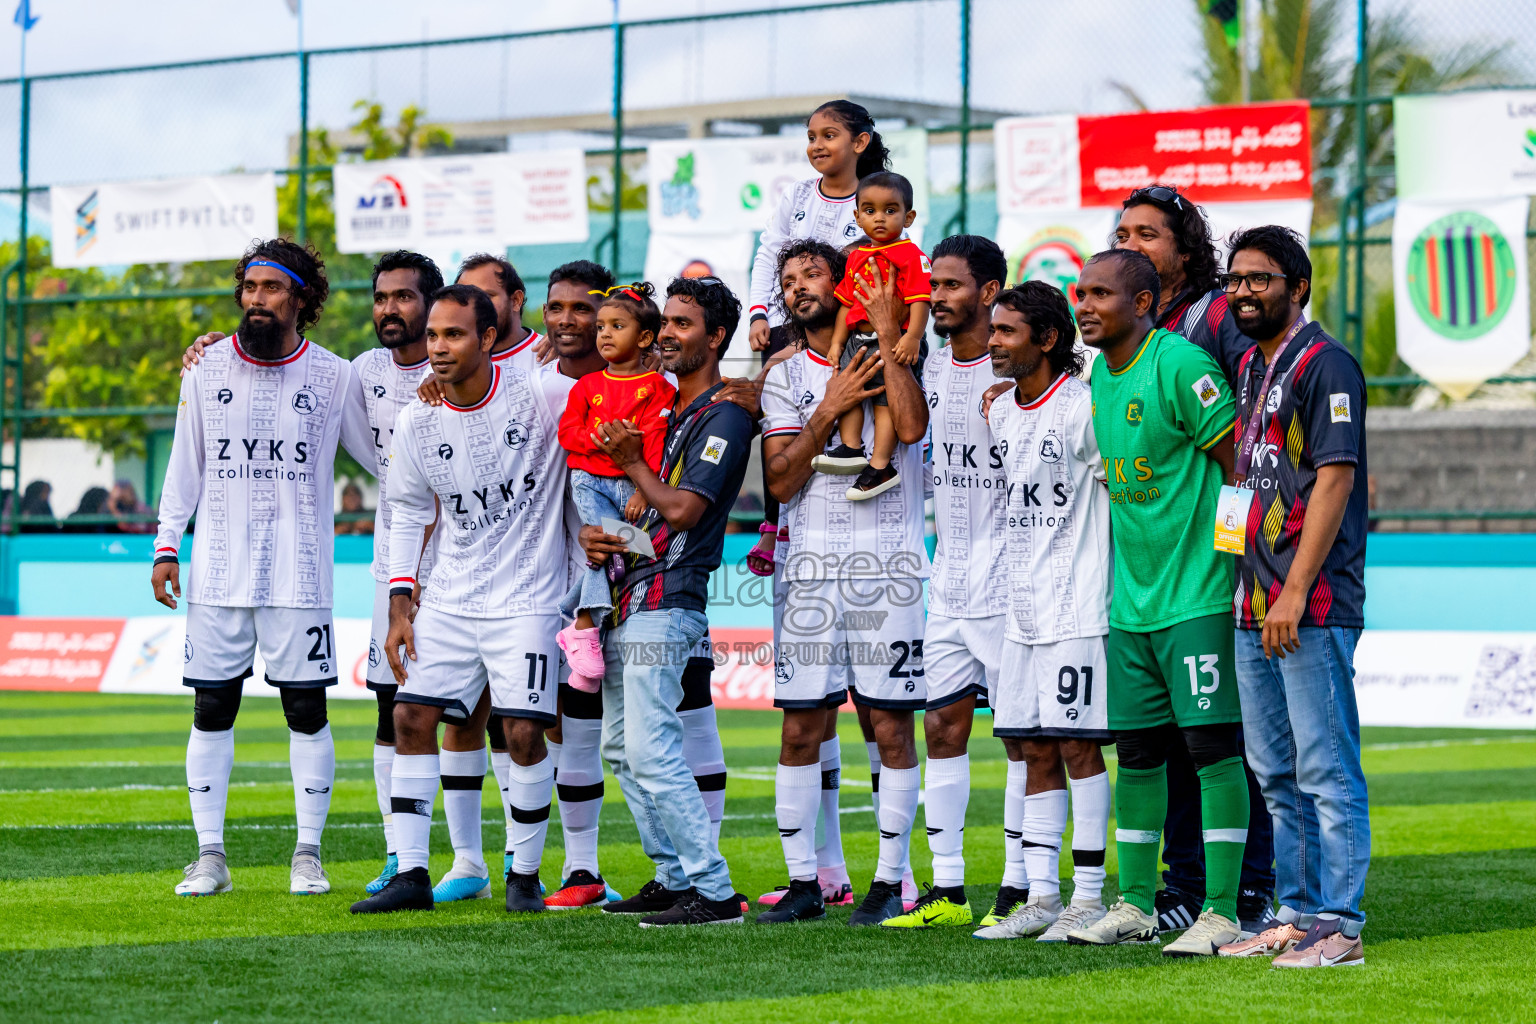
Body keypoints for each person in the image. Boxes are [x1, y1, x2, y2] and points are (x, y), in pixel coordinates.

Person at [153, 238, 371, 898]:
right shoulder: (205, 368)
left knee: (306, 709)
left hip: (301, 575)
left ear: (302, 300)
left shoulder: (335, 376)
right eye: (249, 287)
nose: (256, 299)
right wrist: (167, 545)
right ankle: (209, 856)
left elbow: (382, 456)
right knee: (211, 705)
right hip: (218, 571)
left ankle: (308, 855)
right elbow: (184, 463)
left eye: (271, 288)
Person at [350, 285, 573, 915]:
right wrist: (401, 608)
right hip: (447, 598)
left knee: (525, 732)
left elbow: (612, 383)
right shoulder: (417, 419)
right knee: (410, 719)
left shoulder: (541, 392)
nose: (438, 348)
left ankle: (524, 876)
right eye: (434, 336)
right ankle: (413, 873)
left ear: (489, 339)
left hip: (529, 599)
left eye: (454, 335)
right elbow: (405, 512)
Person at [1062, 248, 1248, 957]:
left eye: (1100, 294)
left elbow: (1239, 467)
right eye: (1080, 292)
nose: (1085, 305)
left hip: (1196, 595)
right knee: (1137, 754)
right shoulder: (1099, 380)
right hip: (1130, 606)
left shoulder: (1181, 367)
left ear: (1141, 304)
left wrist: (1229, 563)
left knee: (1210, 749)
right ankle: (1136, 903)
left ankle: (1223, 911)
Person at [1112, 184, 1277, 937]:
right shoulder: (1129, 334)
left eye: (1149, 231)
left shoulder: (1212, 317)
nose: (1134, 239)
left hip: (1209, 570)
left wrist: (1238, 551)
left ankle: (1245, 891)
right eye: (1124, 230)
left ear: (1183, 248)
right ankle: (1179, 888)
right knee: (1166, 745)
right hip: (1149, 581)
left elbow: (1245, 435)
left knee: (1221, 743)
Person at [1212, 227, 1371, 968]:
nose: (1243, 290)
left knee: (1325, 767)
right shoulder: (1249, 365)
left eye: (1260, 279)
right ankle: (1296, 913)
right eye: (1235, 278)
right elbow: (1242, 473)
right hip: (1253, 598)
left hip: (1307, 603)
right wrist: (1232, 570)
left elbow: (1335, 479)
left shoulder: (1327, 362)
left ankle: (1339, 922)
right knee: (1274, 770)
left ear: (1297, 287)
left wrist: (1295, 589)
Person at [575, 276, 754, 927]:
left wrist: (630, 462)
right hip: (632, 595)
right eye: (668, 321)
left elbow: (679, 510)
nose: (670, 333)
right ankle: (673, 875)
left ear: (716, 337)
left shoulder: (725, 417)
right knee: (621, 749)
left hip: (669, 601)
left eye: (683, 323)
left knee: (651, 748)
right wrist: (604, 539)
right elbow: (647, 521)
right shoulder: (672, 413)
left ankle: (713, 890)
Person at [759, 252, 930, 927]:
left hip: (888, 568)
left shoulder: (908, 354)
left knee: (889, 725)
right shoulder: (784, 378)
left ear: (848, 284)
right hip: (809, 576)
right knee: (801, 729)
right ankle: (804, 882)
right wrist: (827, 409)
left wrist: (888, 345)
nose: (798, 289)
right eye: (787, 282)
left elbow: (911, 428)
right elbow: (779, 482)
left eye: (810, 277)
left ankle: (890, 882)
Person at [877, 235, 1016, 931]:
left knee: (1026, 738)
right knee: (942, 727)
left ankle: (1022, 885)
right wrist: (884, 332)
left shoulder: (1027, 368)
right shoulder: (926, 363)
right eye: (933, 284)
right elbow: (908, 428)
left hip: (1017, 579)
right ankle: (949, 890)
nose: (936, 296)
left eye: (952, 285)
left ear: (989, 293)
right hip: (950, 578)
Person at [969, 282, 1115, 942]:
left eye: (1005, 332)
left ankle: (1087, 896)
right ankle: (1041, 896)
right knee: (1030, 747)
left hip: (1078, 604)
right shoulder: (1000, 411)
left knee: (1077, 745)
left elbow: (1122, 490)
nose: (992, 342)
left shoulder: (1085, 410)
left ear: (1047, 339)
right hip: (1019, 609)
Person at [745, 100, 893, 575]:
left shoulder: (876, 198)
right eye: (811, 137)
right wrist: (758, 312)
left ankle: (877, 459)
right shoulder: (800, 196)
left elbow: (896, 256)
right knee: (769, 398)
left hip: (860, 319)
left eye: (829, 135)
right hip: (797, 324)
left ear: (860, 143)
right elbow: (770, 254)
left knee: (872, 382)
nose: (817, 145)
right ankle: (775, 522)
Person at [555, 282, 676, 691]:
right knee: (613, 550)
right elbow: (567, 432)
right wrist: (599, 439)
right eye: (602, 325)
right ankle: (586, 628)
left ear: (644, 337)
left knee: (626, 552)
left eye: (617, 326)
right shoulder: (587, 385)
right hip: (588, 481)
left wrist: (645, 489)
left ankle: (576, 614)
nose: (604, 333)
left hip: (631, 485)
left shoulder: (659, 389)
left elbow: (657, 442)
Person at [815, 171, 929, 502]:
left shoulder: (911, 255)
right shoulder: (856, 256)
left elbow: (920, 300)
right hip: (856, 339)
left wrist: (912, 339)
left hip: (894, 341)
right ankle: (851, 448)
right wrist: (837, 342)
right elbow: (845, 305)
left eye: (890, 210)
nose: (879, 217)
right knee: (852, 391)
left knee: (884, 402)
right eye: (869, 210)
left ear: (908, 217)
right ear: (857, 216)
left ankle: (881, 465)